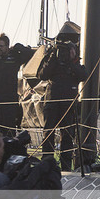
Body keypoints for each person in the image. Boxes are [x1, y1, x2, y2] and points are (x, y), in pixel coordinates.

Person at [36, 22, 84, 169]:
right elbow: (42, 75)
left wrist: (72, 61)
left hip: (68, 103)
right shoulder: (52, 60)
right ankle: (47, 163)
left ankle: (65, 165)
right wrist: (52, 56)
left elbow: (84, 75)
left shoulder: (75, 63)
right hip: (52, 101)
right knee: (48, 133)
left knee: (67, 136)